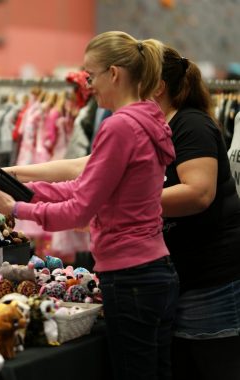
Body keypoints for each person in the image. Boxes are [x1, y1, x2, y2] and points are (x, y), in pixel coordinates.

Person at [0, 43, 240, 379]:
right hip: (159, 269)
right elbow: (88, 178)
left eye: (91, 75)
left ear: (117, 74)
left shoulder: (132, 126)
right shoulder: (151, 124)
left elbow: (81, 206)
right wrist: (22, 183)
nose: (88, 85)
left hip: (156, 272)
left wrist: (17, 206)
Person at [154, 46, 240, 380]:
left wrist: (124, 201)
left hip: (211, 279)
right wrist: (18, 175)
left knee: (213, 365)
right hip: (183, 276)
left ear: (157, 85)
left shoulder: (191, 125)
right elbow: (90, 164)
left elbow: (199, 193)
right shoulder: (156, 126)